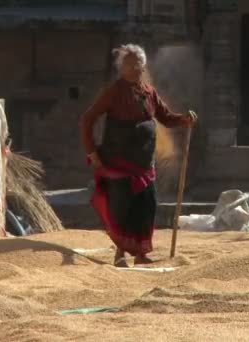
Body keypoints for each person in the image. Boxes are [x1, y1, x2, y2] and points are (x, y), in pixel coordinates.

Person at [80, 44, 197, 267]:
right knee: (121, 207)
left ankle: (141, 254)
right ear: (120, 67)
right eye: (128, 64)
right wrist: (92, 152)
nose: (134, 68)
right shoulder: (113, 92)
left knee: (147, 205)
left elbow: (166, 117)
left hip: (144, 162)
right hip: (118, 161)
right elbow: (87, 120)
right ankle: (120, 253)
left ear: (143, 67)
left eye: (137, 64)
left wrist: (184, 119)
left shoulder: (148, 92)